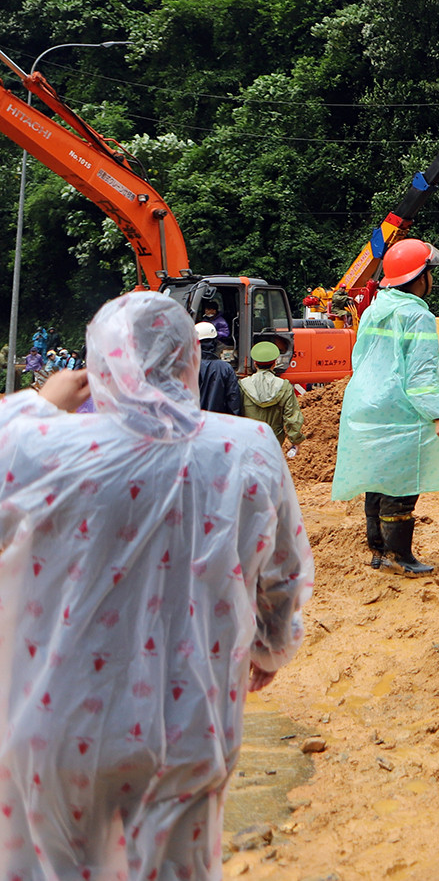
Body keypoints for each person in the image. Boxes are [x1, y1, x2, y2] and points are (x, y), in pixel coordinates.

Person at [0, 292, 313, 881]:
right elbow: (283, 573)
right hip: (189, 723)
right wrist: (270, 646)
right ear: (190, 360)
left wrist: (40, 402)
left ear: (99, 368)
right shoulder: (246, 450)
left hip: (59, 720)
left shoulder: (48, 450)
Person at [332, 238, 439, 575]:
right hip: (402, 410)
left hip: (368, 403)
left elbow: (363, 359)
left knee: (378, 478)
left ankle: (379, 552)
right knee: (401, 485)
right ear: (420, 277)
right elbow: (420, 370)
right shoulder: (417, 315)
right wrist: (438, 414)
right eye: (429, 273)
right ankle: (400, 556)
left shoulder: (375, 308)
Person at [241, 339, 304, 455]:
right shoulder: (284, 386)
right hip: (273, 442)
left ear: (255, 363)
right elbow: (292, 417)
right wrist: (295, 440)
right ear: (275, 363)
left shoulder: (243, 385)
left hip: (248, 441)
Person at [195, 319, 242, 415]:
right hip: (218, 423)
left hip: (192, 424)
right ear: (215, 342)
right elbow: (233, 400)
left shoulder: (187, 367)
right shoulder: (225, 368)